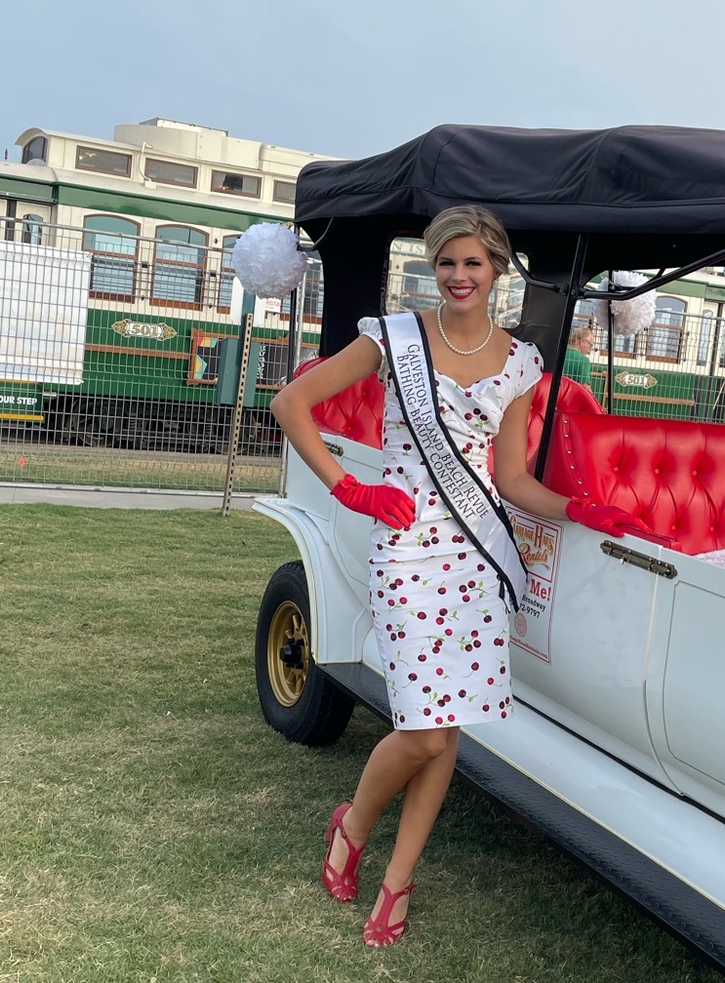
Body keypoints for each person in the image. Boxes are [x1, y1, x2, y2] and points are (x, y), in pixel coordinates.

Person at [269, 205, 643, 947]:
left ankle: (397, 879)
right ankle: (352, 826)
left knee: (446, 735)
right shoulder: (394, 338)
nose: (459, 276)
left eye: (473, 263)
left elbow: (511, 480)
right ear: (433, 267)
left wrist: (582, 509)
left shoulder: (521, 364)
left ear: (497, 270)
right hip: (406, 551)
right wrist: (352, 489)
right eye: (446, 262)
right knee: (422, 727)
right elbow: (291, 404)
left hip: (475, 560)